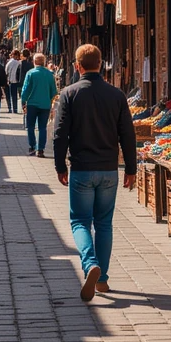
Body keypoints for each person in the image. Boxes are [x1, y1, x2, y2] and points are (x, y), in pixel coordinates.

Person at [53, 42, 136, 303]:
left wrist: (59, 165)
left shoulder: (69, 93)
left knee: (80, 221)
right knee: (103, 223)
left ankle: (90, 264)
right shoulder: (116, 95)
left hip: (81, 169)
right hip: (109, 170)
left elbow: (59, 134)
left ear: (77, 66)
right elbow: (128, 134)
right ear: (100, 64)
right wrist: (131, 168)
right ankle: (102, 279)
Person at [20, 52, 58, 157]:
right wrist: (50, 101)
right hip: (45, 104)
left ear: (34, 62)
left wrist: (23, 101)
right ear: (44, 62)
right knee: (42, 127)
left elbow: (25, 89)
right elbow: (54, 91)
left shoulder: (31, 73)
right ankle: (40, 149)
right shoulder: (50, 74)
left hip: (32, 104)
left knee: (31, 126)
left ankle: (32, 146)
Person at [5, 48, 22, 113]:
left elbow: (6, 71)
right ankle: (15, 109)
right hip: (16, 81)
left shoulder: (9, 62)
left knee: (9, 96)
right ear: (17, 55)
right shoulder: (18, 63)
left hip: (9, 81)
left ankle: (10, 108)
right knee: (15, 96)